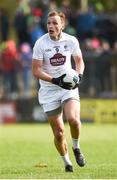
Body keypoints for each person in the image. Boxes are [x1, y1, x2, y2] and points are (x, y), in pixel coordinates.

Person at [32, 11, 85, 172]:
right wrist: (55, 80)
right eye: (49, 23)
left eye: (55, 23)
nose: (51, 26)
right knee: (59, 133)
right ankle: (67, 163)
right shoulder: (41, 43)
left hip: (68, 87)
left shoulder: (71, 40)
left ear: (62, 25)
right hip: (49, 90)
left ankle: (76, 147)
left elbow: (79, 61)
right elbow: (36, 70)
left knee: (73, 120)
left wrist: (79, 76)